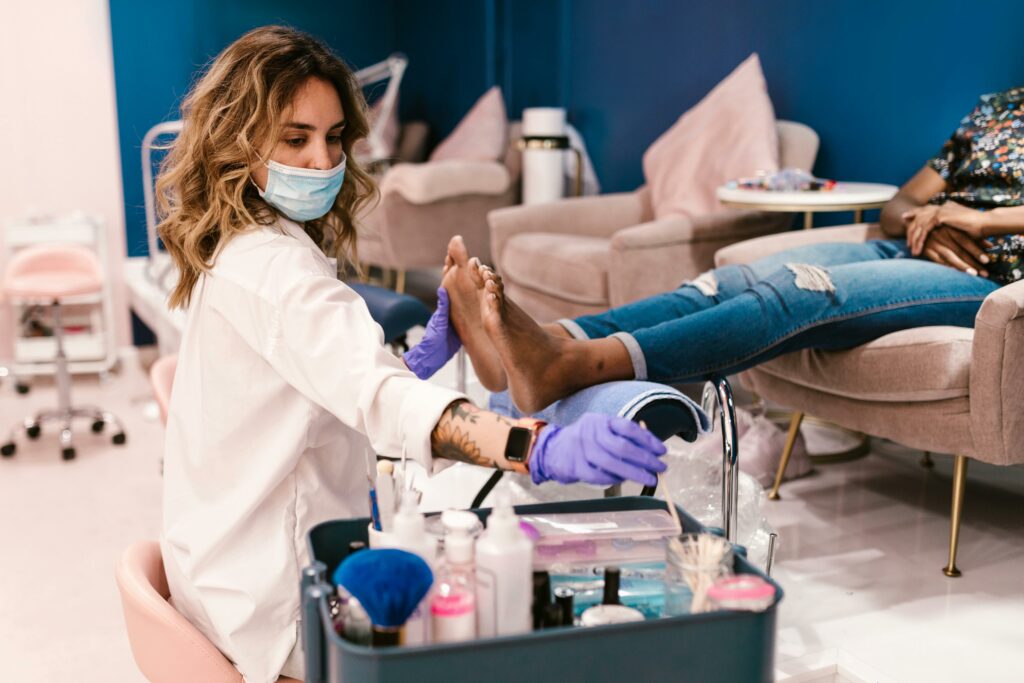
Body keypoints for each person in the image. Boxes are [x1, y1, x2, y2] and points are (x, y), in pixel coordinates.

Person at [156, 26, 667, 683]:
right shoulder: (274, 271)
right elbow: (375, 396)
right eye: (295, 137)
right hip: (272, 612)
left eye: (335, 136)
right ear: (238, 138)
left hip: (215, 579)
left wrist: (415, 363)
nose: (321, 160)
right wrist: (535, 446)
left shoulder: (240, 247)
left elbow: (317, 382)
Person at [444, 87, 1024, 415]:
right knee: (725, 281)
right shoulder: (997, 111)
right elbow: (899, 202)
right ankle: (547, 340)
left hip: (988, 279)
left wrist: (979, 218)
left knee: (801, 290)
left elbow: (966, 215)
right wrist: (926, 215)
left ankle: (574, 366)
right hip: (911, 245)